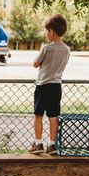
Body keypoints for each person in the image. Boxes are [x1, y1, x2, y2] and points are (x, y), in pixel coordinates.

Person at [29, 14, 70, 155]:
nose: (46, 34)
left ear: (51, 31)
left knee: (38, 115)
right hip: (56, 86)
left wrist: (41, 50)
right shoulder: (67, 49)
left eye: (47, 31)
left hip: (43, 85)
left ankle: (38, 143)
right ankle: (52, 145)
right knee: (53, 116)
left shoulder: (47, 48)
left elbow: (35, 64)